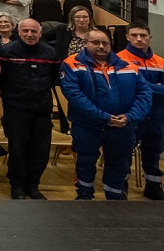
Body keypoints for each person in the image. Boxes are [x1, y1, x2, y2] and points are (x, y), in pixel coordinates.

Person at [61, 29, 152, 200]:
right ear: (85, 43)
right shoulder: (72, 64)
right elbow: (75, 96)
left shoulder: (128, 66)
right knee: (86, 161)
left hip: (123, 125)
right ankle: (85, 195)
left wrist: (130, 116)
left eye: (105, 43)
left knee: (119, 162)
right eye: (95, 43)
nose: (101, 46)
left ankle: (115, 196)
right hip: (88, 125)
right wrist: (105, 117)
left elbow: (144, 94)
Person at [115, 22, 164, 200]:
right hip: (131, 114)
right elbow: (121, 88)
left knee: (154, 151)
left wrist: (142, 86)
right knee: (124, 151)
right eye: (135, 35)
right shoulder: (119, 60)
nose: (139, 39)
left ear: (150, 38)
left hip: (157, 115)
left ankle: (153, 187)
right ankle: (121, 186)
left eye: (143, 35)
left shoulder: (161, 63)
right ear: (127, 37)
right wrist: (156, 87)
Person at [0, 18, 59, 200]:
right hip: (16, 109)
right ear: (18, 32)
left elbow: (53, 78)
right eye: (26, 31)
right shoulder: (7, 51)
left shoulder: (50, 53)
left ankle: (33, 186)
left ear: (40, 33)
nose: (30, 35)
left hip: (41, 110)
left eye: (33, 31)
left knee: (39, 151)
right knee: (17, 149)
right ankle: (17, 186)